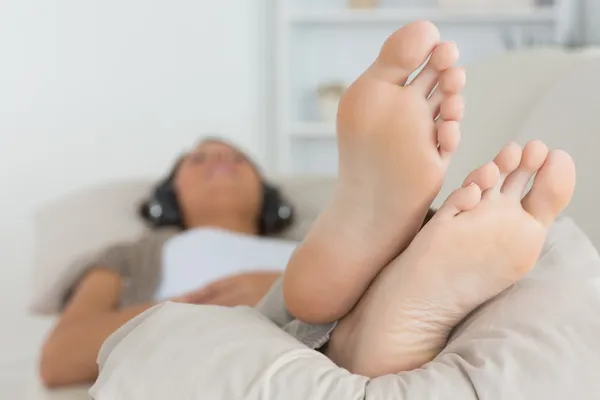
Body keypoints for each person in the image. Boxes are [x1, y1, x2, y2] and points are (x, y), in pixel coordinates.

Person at [279, 20, 575, 378]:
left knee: (293, 293)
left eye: (232, 157)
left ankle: (370, 290)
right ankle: (372, 309)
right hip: (286, 275)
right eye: (198, 159)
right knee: (298, 290)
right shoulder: (204, 239)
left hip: (293, 268)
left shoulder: (283, 214)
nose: (219, 163)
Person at [39, 138, 299, 388]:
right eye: (198, 159)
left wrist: (286, 294)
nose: (220, 158)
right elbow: (59, 360)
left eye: (239, 159)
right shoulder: (130, 256)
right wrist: (194, 309)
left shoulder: (310, 247)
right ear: (171, 191)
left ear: (263, 188)